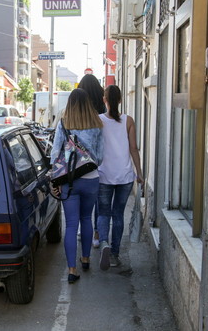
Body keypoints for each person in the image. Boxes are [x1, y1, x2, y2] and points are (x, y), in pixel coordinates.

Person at [50, 88, 104, 284]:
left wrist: (55, 179)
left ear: (70, 104)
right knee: (86, 219)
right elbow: (100, 155)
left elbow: (55, 153)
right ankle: (86, 259)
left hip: (69, 181)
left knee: (71, 224)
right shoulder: (97, 124)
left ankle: (72, 270)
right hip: (91, 179)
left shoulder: (64, 124)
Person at [97, 85, 144, 270]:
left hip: (103, 175)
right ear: (120, 100)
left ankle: (103, 244)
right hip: (124, 176)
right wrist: (139, 173)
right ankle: (115, 254)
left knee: (103, 213)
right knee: (118, 215)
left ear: (104, 100)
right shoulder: (128, 121)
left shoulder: (98, 120)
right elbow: (134, 148)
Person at [77, 74, 106, 248]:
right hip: (101, 159)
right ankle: (96, 233)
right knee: (98, 200)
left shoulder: (78, 108)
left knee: (81, 197)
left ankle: (83, 228)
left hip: (79, 162)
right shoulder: (101, 109)